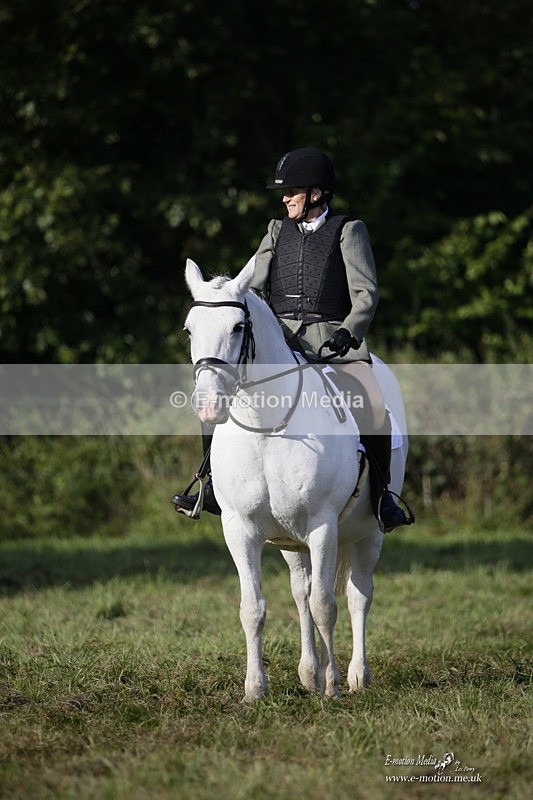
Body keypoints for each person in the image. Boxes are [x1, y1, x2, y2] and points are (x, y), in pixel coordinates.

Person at [172, 147, 413, 532]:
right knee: (215, 392)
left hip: (334, 337)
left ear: (316, 193)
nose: (285, 198)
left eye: (292, 191)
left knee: (372, 397)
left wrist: (349, 332)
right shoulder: (275, 230)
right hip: (280, 337)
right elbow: (252, 279)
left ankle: (383, 496)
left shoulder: (349, 230)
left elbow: (365, 293)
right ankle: (212, 484)